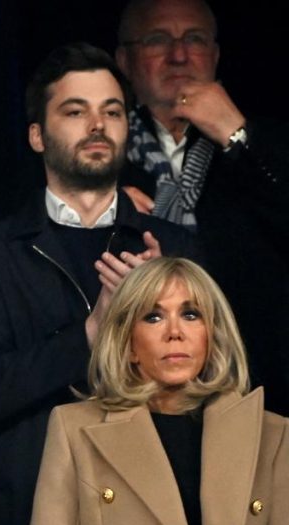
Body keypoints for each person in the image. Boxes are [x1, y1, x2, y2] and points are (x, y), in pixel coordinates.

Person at [0, 43, 198, 525]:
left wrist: (156, 317)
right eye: (75, 110)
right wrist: (91, 332)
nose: (98, 124)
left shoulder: (174, 248)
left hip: (156, 504)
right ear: (37, 136)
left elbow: (216, 384)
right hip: (38, 503)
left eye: (112, 111)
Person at [30, 256, 289, 525]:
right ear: (128, 343)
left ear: (212, 336)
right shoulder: (74, 429)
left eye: (191, 315)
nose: (174, 332)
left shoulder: (271, 433)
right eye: (154, 317)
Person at [115, 0, 289, 415]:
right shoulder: (102, 156)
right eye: (158, 40)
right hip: (139, 392)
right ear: (125, 59)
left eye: (193, 39)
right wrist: (103, 201)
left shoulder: (268, 145)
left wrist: (239, 137)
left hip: (261, 383)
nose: (179, 55)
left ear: (215, 54)